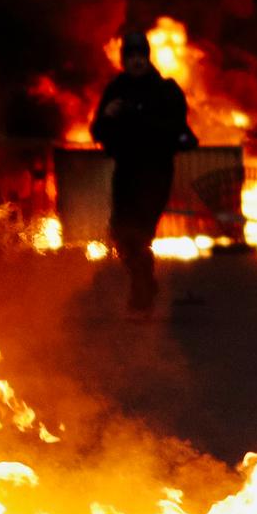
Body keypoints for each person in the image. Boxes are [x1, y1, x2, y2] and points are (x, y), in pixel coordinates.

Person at [91, 28, 195, 316]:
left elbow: (173, 128)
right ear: (124, 59)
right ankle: (145, 282)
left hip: (155, 173)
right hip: (126, 171)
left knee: (139, 233)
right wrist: (108, 116)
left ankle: (141, 295)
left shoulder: (165, 91)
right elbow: (97, 131)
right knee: (121, 234)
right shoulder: (115, 91)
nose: (136, 61)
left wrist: (138, 117)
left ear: (148, 58)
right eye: (131, 55)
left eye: (140, 55)